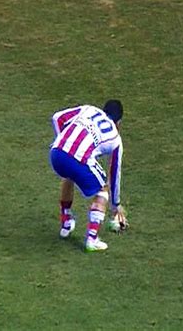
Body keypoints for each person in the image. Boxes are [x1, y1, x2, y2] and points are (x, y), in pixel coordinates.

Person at [49, 100, 127, 252]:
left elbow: (57, 117)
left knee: (68, 176)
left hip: (56, 153)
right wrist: (116, 205)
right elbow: (114, 172)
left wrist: (62, 140)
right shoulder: (116, 138)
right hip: (78, 158)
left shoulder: (88, 109)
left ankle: (66, 222)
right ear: (119, 122)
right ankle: (92, 239)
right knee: (103, 189)